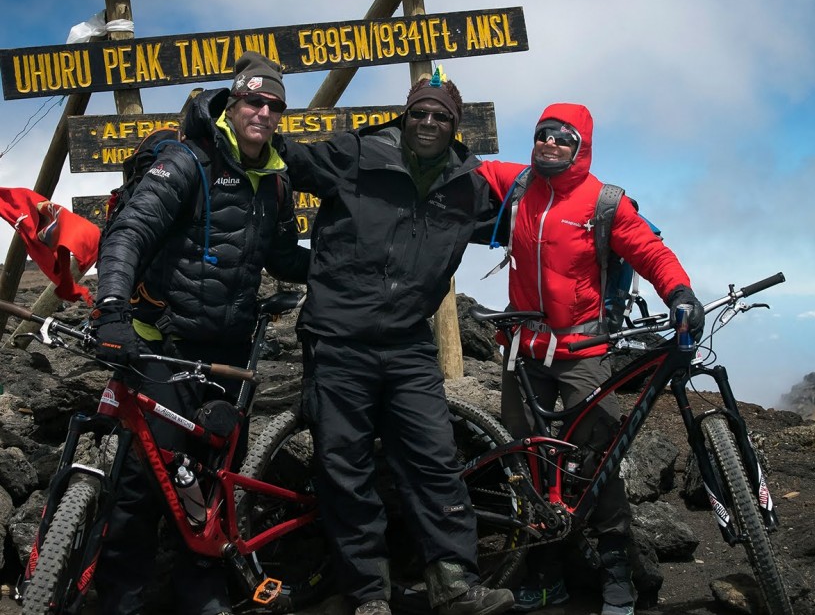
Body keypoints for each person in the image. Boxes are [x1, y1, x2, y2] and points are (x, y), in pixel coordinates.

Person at [277, 69, 515, 615]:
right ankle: (368, 596)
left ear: (455, 127)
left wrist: (613, 221)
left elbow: (538, 223)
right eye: (420, 113)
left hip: (408, 344)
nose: (428, 122)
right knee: (346, 467)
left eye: (441, 116)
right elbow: (283, 156)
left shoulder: (469, 186)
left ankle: (453, 584)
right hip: (337, 339)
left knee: (435, 459)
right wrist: (226, 121)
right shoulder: (356, 155)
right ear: (406, 115)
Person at [91, 51, 309, 615]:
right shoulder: (187, 163)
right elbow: (128, 234)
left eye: (273, 105)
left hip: (231, 352)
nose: (262, 111)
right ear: (232, 103)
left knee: (215, 479)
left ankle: (203, 593)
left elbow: (284, 256)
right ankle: (123, 599)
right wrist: (111, 308)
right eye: (253, 100)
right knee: (147, 479)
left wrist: (347, 264)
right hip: (163, 343)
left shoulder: (275, 182)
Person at [476, 103, 705, 615]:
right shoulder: (517, 185)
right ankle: (546, 571)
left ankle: (616, 572)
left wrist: (680, 293)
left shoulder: (603, 202)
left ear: (582, 147)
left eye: (563, 137)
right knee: (531, 463)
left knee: (598, 464)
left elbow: (650, 251)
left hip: (583, 353)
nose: (550, 144)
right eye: (543, 134)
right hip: (524, 352)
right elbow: (459, 164)